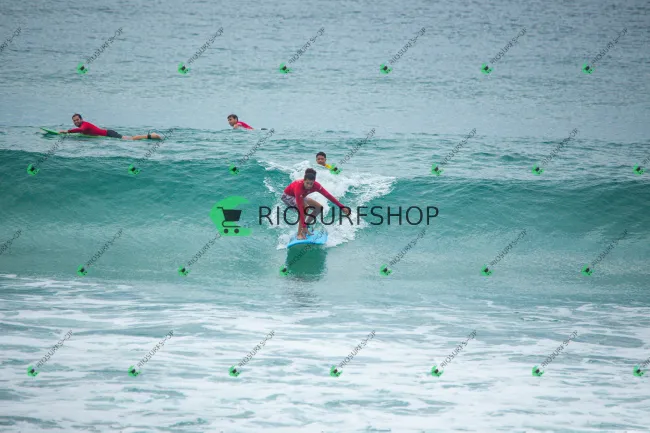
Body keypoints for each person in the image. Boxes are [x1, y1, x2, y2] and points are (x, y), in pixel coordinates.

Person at [282, 168, 350, 240]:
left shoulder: (316, 185)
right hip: (288, 196)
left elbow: (328, 195)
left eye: (311, 183)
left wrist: (341, 207)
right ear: (304, 180)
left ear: (314, 181)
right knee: (305, 208)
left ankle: (306, 226)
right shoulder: (299, 187)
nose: (309, 186)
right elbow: (301, 208)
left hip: (301, 196)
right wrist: (303, 226)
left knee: (319, 208)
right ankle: (299, 233)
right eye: (307, 183)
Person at [59, 114, 161, 140]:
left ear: (81, 119)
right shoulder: (82, 125)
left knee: (131, 139)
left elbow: (81, 130)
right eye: (74, 121)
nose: (76, 122)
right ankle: (150, 136)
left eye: (77, 119)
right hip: (107, 134)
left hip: (109, 134)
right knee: (129, 138)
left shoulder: (84, 125)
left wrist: (67, 131)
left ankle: (151, 136)